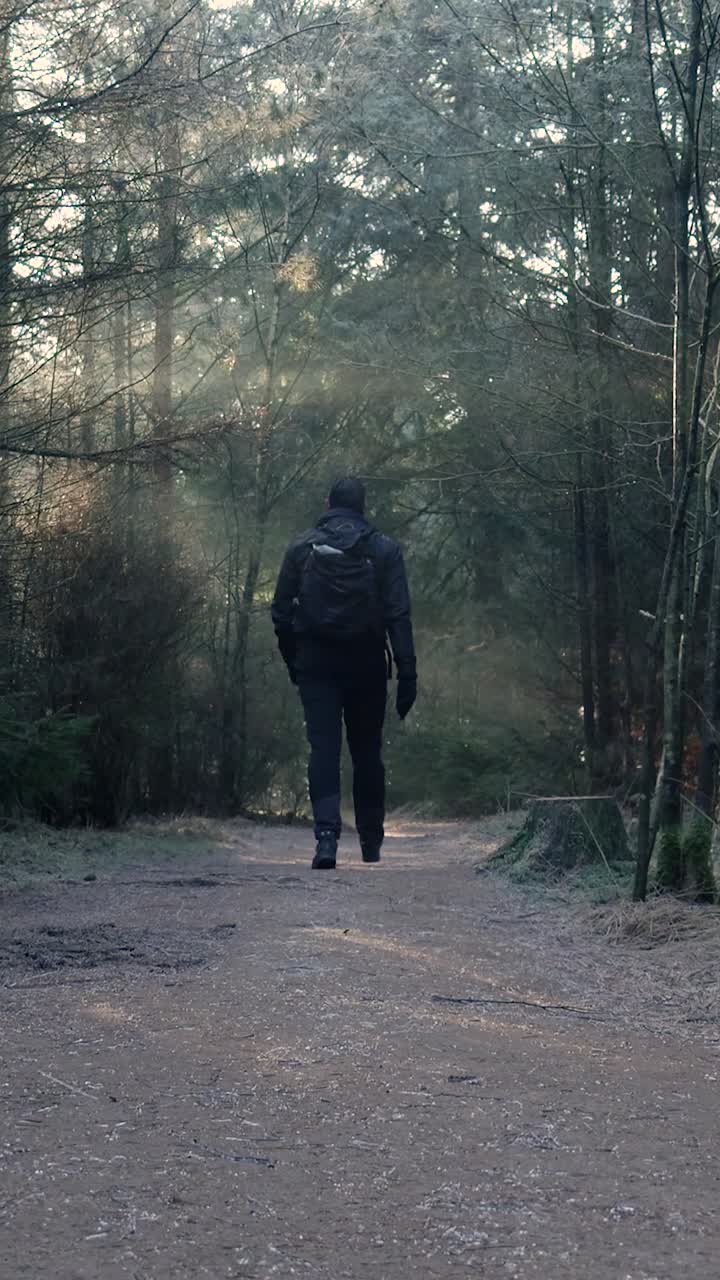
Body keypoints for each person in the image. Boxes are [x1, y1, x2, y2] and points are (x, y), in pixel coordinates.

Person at [271, 477, 417, 869]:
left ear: (327, 503)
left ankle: (326, 840)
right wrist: (408, 675)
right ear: (362, 508)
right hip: (366, 662)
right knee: (367, 750)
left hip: (316, 662)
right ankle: (370, 840)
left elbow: (281, 611)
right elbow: (398, 615)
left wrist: (293, 659)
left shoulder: (301, 547)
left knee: (324, 748)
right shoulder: (384, 549)